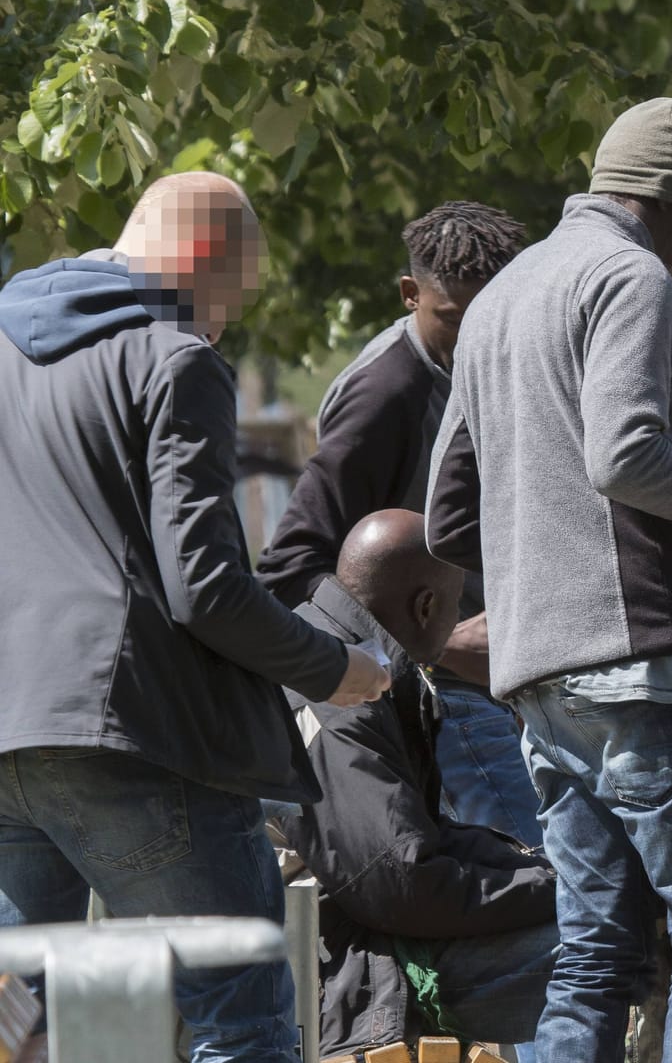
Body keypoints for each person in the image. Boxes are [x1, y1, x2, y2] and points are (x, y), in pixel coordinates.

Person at [427, 97, 672, 1063]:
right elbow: (625, 455)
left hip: (537, 678)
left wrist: (539, 563)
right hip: (644, 666)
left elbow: (447, 515)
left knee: (592, 955)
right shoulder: (630, 279)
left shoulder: (502, 297)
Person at [0, 171, 389, 1062]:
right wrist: (336, 668)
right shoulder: (175, 356)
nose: (224, 328)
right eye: (232, 303)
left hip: (7, 730)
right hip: (133, 728)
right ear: (200, 259)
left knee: (19, 1028)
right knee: (241, 1019)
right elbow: (206, 589)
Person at [256, 201, 540, 845]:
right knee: (538, 879)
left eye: (496, 316)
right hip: (443, 697)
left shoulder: (490, 364)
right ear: (410, 294)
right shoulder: (387, 393)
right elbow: (291, 568)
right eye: (456, 318)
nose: (479, 338)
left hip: (505, 688)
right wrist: (429, 648)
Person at [279, 510, 558, 1057]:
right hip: (352, 968)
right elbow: (398, 881)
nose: (460, 620)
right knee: (600, 949)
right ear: (425, 606)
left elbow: (417, 840)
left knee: (607, 926)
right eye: (458, 605)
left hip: (363, 934)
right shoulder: (339, 699)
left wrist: (549, 873)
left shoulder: (337, 651)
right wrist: (559, 893)